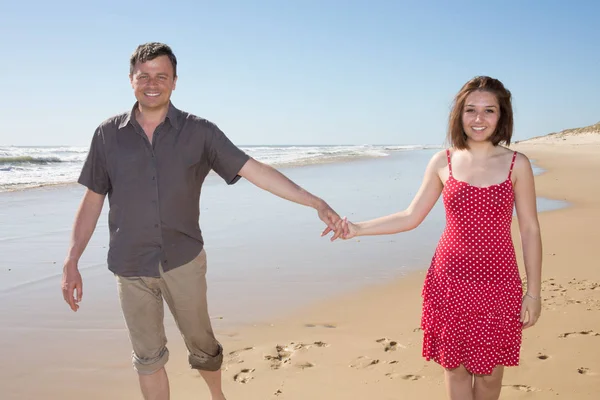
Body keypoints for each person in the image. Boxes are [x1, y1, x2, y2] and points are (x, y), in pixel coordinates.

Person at [61, 42, 342, 400]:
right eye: (144, 76)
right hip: (129, 266)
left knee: (203, 347)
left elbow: (254, 170)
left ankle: (217, 396)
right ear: (131, 80)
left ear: (175, 81)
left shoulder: (200, 132)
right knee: (147, 358)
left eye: (161, 76)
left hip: (183, 261)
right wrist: (72, 260)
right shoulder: (107, 135)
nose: (152, 83)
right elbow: (92, 201)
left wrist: (314, 202)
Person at [332, 76, 542, 400]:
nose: (478, 119)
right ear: (459, 114)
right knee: (455, 371)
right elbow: (410, 216)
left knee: (488, 375)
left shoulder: (517, 164)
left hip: (498, 282)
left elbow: (530, 229)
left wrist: (534, 293)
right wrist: (358, 228)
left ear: (502, 116)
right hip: (450, 281)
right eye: (470, 110)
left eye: (489, 111)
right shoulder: (443, 161)